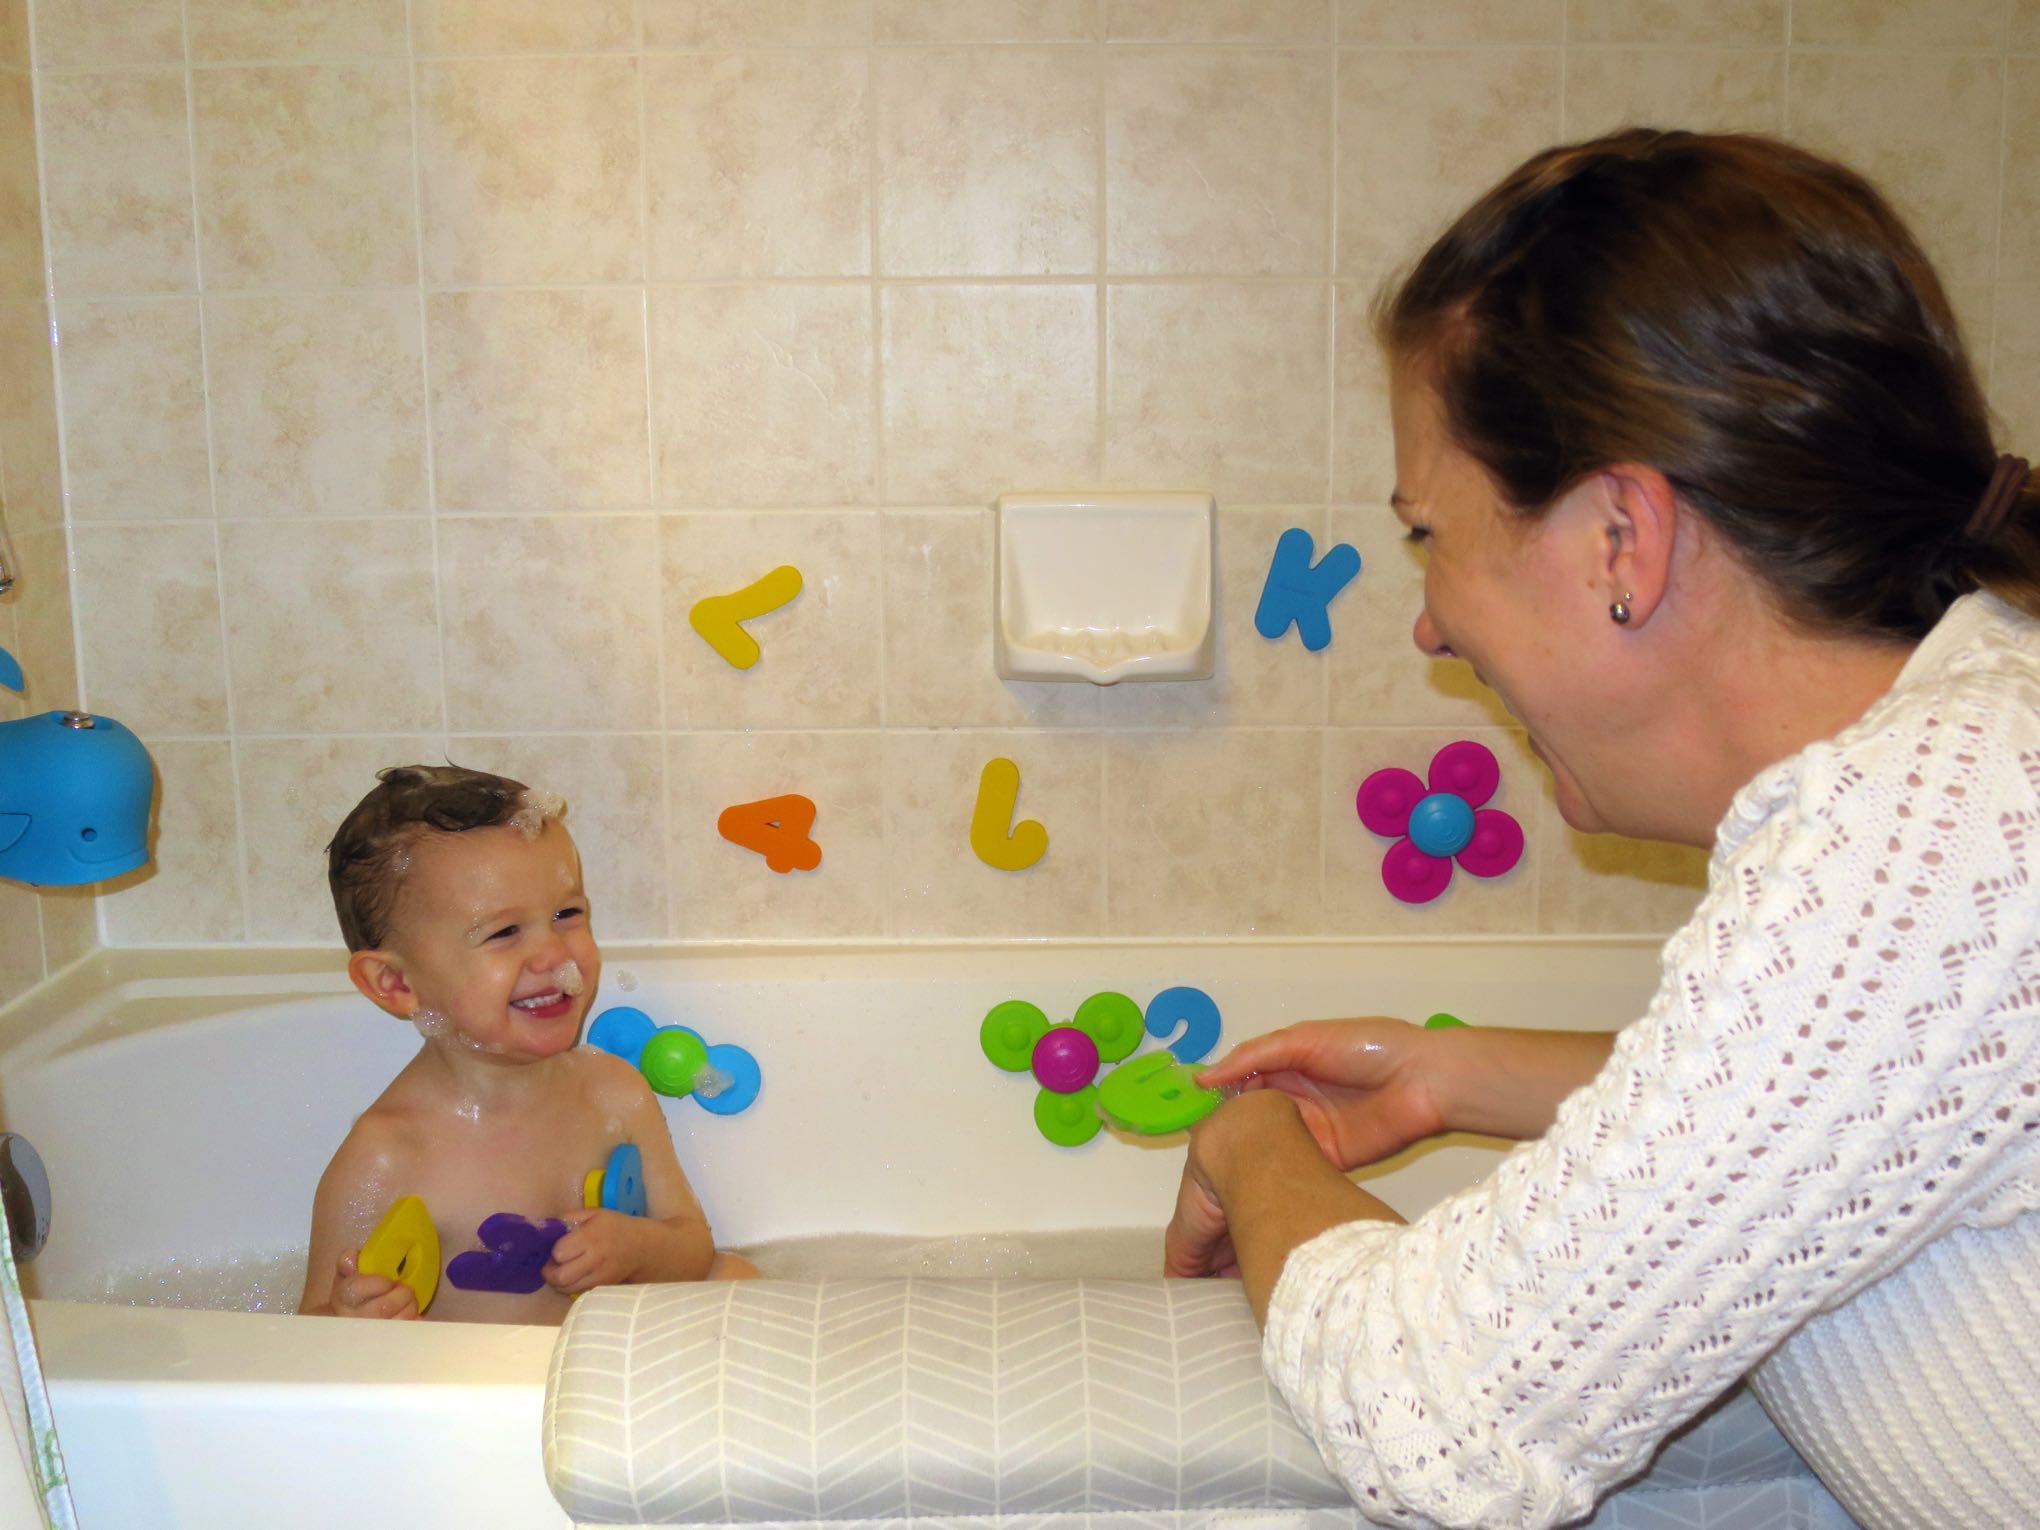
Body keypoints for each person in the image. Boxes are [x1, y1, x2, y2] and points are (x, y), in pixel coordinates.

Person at [1163, 129, 2039, 1529]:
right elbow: (1872, 1108)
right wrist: (1454, 1074)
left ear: (1621, 537)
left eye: (1428, 535)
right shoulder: (1974, 752)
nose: (1430, 625)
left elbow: (1432, 1415)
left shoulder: (1933, 821)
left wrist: (1253, 1147)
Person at [298, 765, 756, 1323]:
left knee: (736, 1277)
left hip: (607, 1360)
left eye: (566, 915)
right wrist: (352, 1317)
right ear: (395, 983)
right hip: (472, 1377)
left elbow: (691, 1245)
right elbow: (310, 1331)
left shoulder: (614, 1091)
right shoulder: (386, 1154)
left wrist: (638, 1248)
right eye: (504, 932)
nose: (554, 955)